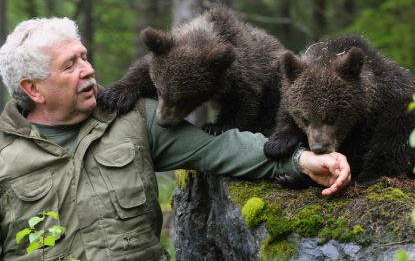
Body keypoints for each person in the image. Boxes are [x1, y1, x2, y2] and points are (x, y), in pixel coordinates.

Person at [0, 17, 351, 261]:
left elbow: (221, 148)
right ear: (33, 89)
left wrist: (304, 159)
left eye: (84, 57)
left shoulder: (134, 119)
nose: (88, 69)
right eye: (69, 65)